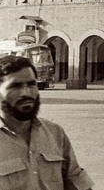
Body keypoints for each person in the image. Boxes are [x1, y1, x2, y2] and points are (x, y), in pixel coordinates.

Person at [0, 55, 94, 189]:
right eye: (16, 86)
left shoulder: (55, 133)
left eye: (32, 84)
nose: (27, 92)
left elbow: (76, 181)